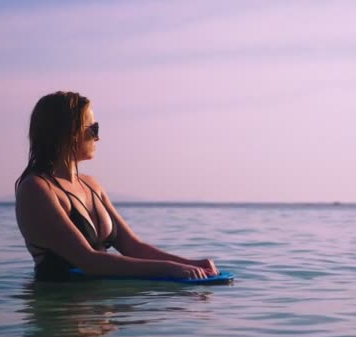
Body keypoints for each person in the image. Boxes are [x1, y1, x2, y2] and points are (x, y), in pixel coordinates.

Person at [15, 91, 218, 281]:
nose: (98, 137)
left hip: (100, 308)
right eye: (93, 129)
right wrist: (170, 269)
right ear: (69, 133)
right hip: (61, 310)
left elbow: (133, 247)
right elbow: (89, 261)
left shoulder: (91, 184)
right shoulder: (36, 190)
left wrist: (190, 264)